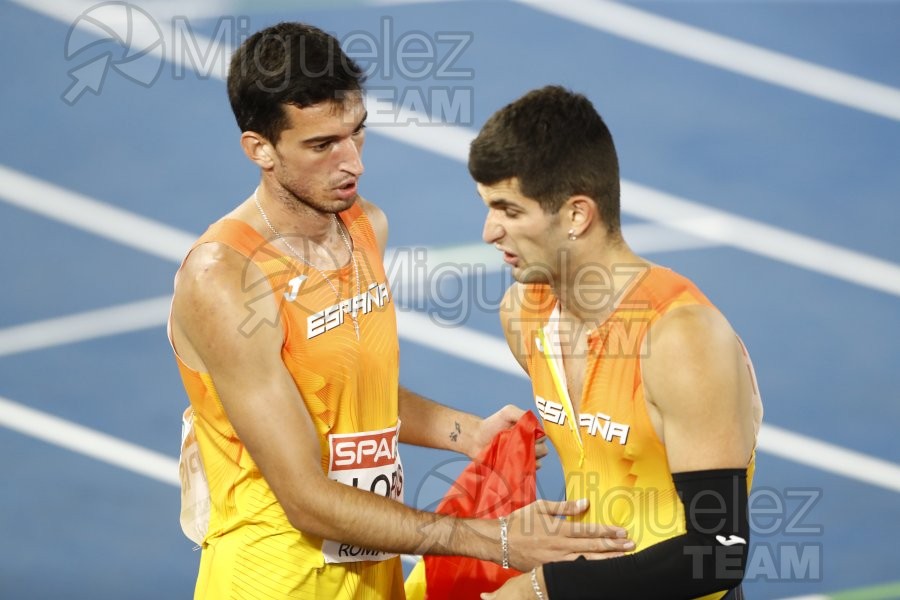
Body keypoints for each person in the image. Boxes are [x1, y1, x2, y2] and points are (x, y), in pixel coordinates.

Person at [168, 25, 633, 600]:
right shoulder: (226, 277)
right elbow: (306, 498)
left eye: (356, 134)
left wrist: (467, 433)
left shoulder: (364, 226)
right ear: (259, 148)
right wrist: (494, 539)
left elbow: (344, 391)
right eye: (322, 145)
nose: (352, 163)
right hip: (277, 580)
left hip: (375, 570)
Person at [469, 86, 764, 600]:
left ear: (577, 215)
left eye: (509, 211)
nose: (489, 231)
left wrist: (545, 589)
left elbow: (718, 551)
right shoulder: (522, 314)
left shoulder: (681, 339)